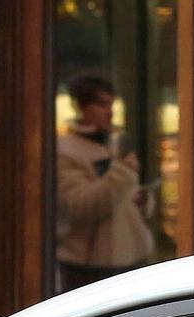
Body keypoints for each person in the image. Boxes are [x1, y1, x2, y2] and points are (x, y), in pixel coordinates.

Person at [56, 73, 156, 290]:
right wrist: (123, 172)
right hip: (91, 269)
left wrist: (142, 200)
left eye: (112, 104)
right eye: (102, 104)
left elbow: (122, 193)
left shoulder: (111, 143)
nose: (109, 112)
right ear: (82, 107)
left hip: (130, 260)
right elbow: (80, 206)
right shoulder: (66, 152)